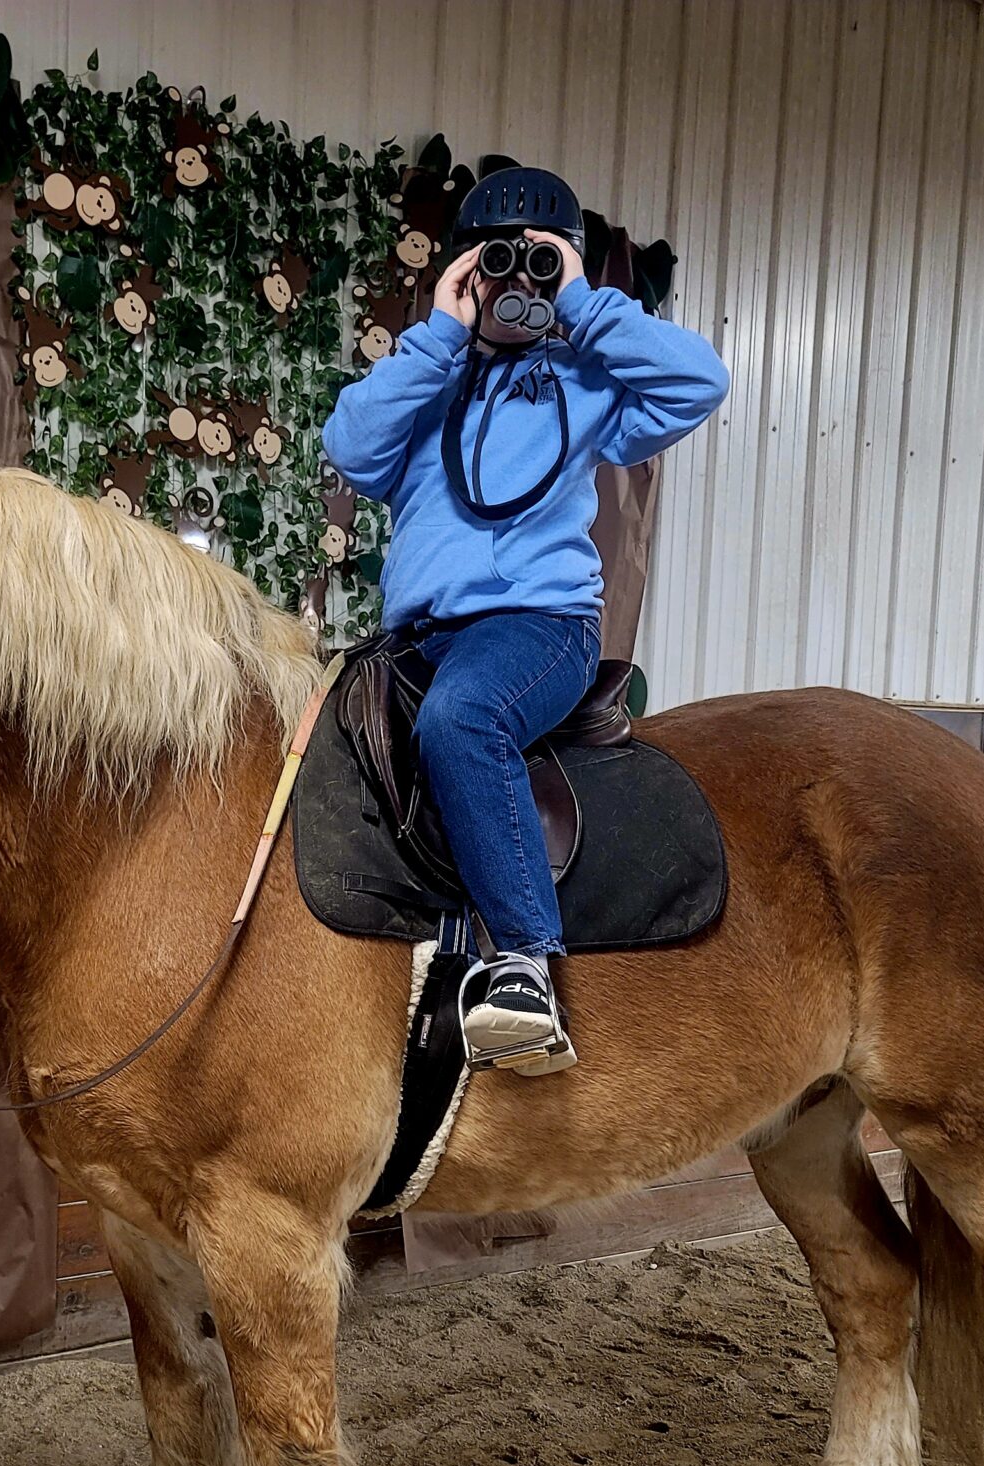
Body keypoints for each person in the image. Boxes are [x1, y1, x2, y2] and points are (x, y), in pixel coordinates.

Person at [321, 166, 730, 1074]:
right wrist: (441, 330)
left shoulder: (584, 381)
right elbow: (349, 446)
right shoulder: (430, 377)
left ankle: (525, 966)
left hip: (538, 628)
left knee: (462, 719)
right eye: (495, 263)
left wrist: (581, 303)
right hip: (418, 639)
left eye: (537, 264)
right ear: (465, 272)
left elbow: (700, 382)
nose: (517, 283)